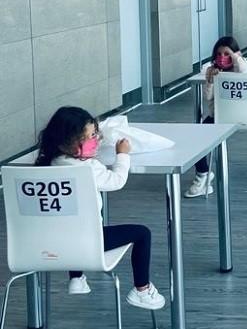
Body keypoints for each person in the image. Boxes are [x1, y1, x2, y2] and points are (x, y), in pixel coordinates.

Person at [36, 107, 166, 310]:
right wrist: (122, 156)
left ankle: (77, 278)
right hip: (87, 246)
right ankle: (142, 290)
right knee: (142, 233)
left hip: (48, 245)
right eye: (89, 137)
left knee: (68, 217)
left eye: (95, 134)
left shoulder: (49, 164)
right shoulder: (88, 168)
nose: (95, 140)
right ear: (65, 142)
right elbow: (116, 181)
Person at [185, 37, 247, 197]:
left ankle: (203, 176)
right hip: (219, 117)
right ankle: (202, 175)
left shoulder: (242, 67)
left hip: (245, 117)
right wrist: (211, 81)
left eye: (227, 53)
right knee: (196, 135)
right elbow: (208, 97)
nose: (222, 57)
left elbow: (243, 70)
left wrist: (235, 57)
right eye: (219, 53)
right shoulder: (211, 70)